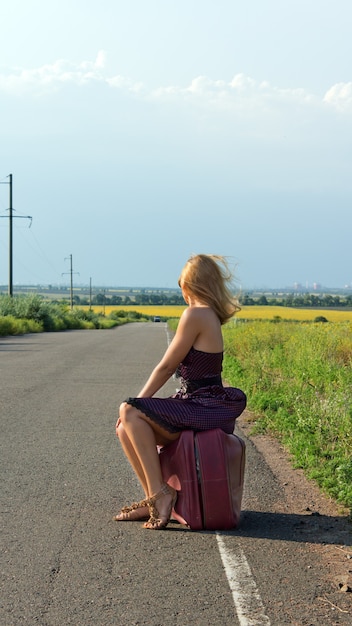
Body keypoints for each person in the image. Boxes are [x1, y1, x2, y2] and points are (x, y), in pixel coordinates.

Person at [114, 254, 246, 530]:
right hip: (200, 404)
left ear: (191, 286)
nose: (182, 293)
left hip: (202, 406)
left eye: (182, 286)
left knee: (128, 412)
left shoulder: (196, 314)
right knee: (124, 427)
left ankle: (161, 496)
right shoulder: (208, 315)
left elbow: (166, 367)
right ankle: (153, 497)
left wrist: (137, 403)